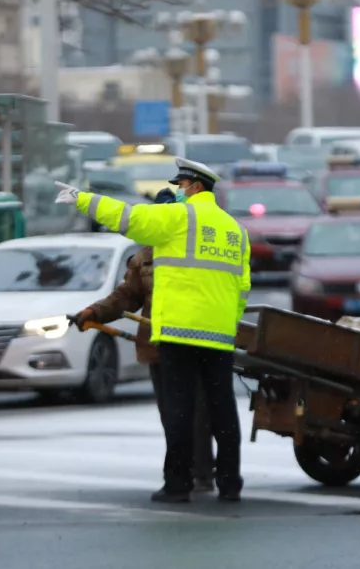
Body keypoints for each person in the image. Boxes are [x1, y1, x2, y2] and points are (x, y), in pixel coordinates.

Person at [54, 157, 250, 503]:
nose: (180, 191)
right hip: (219, 334)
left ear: (197, 186)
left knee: (179, 410)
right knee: (222, 409)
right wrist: (227, 323)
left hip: (179, 333)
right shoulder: (234, 229)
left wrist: (82, 198)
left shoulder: (179, 218)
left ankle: (178, 485)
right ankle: (230, 484)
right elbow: (242, 287)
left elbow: (129, 217)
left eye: (183, 186)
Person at [72, 188, 216, 493]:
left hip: (194, 344)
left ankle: (202, 473)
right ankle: (182, 474)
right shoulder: (144, 258)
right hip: (158, 349)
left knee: (197, 414)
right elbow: (126, 297)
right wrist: (93, 311)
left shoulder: (196, 251)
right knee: (172, 416)